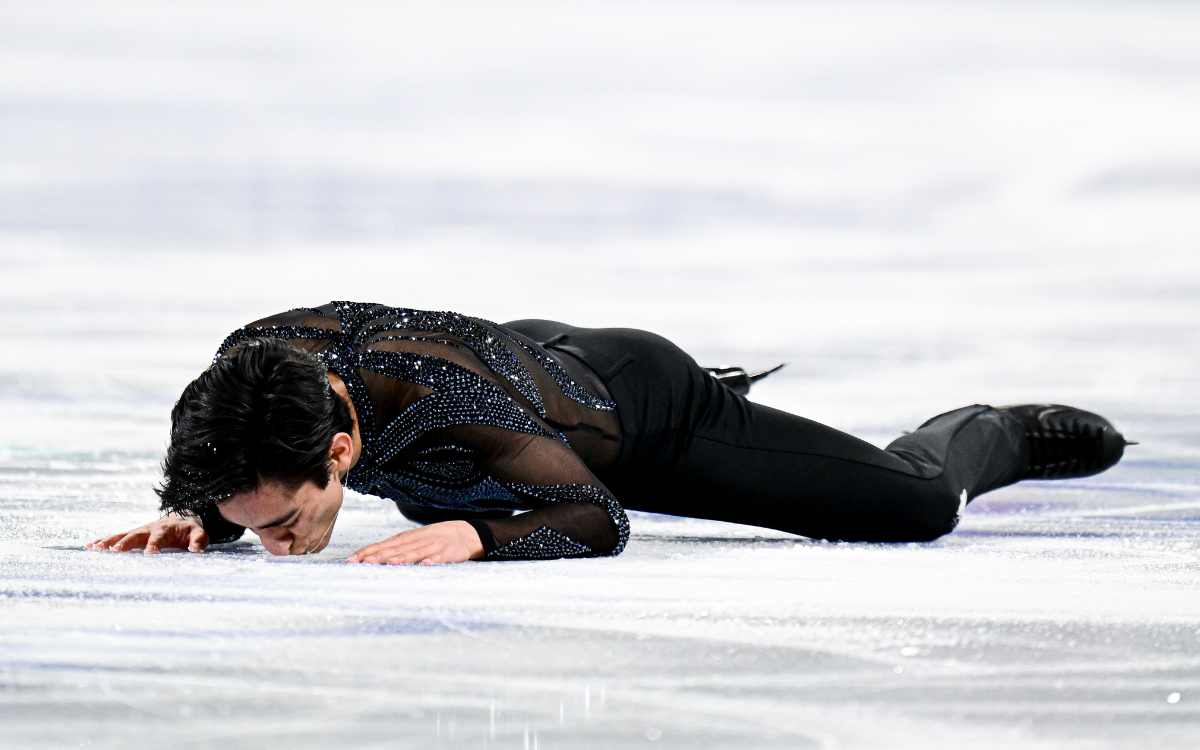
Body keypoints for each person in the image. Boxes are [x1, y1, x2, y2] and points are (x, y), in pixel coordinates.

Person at [88, 302, 1130, 564]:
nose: (280, 542)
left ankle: (984, 431)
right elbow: (241, 454)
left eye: (284, 521)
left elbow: (596, 515)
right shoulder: (251, 378)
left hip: (641, 414)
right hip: (533, 359)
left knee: (910, 510)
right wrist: (203, 516)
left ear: (342, 454)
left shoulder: (463, 420)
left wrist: (481, 536)